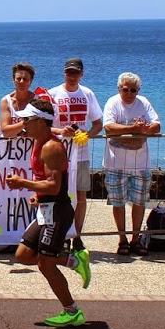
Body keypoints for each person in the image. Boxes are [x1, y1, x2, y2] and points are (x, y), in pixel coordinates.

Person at [4, 98, 93, 328]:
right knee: (23, 255)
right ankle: (73, 260)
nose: (23, 122)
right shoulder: (37, 141)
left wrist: (23, 183)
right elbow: (45, 182)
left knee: (45, 264)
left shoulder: (51, 147)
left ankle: (72, 311)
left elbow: (54, 186)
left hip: (58, 211)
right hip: (46, 208)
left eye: (27, 119)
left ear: (41, 122)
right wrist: (37, 194)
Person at [101, 72, 160, 255]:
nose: (129, 93)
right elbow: (109, 128)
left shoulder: (143, 102)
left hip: (140, 163)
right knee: (118, 203)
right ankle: (122, 239)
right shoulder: (112, 102)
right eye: (125, 89)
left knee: (139, 202)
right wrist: (135, 129)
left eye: (133, 90)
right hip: (115, 163)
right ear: (119, 89)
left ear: (138, 90)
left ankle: (135, 239)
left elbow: (157, 126)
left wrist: (142, 131)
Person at [48, 58, 102, 236]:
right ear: (64, 73)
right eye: (69, 72)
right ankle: (57, 233)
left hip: (81, 155)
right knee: (56, 195)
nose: (72, 76)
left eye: (76, 73)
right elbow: (43, 124)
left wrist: (87, 136)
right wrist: (59, 131)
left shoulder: (87, 94)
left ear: (82, 74)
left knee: (80, 197)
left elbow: (97, 123)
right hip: (57, 155)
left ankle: (76, 234)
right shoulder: (52, 94)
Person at [0, 62, 38, 138]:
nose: (22, 82)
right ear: (13, 80)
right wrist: (26, 123)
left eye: (25, 79)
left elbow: (42, 129)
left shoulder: (37, 100)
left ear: (30, 82)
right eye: (19, 79)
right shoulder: (6, 101)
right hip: (11, 148)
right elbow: (6, 132)